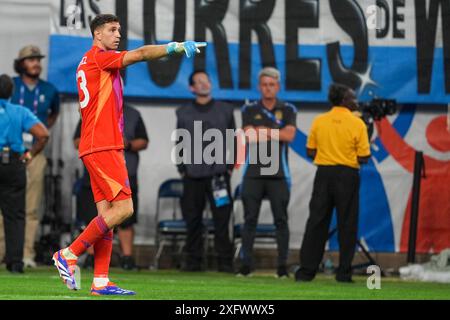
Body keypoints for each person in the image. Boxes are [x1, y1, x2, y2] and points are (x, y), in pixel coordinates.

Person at [52, 13, 205, 295]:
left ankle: (100, 281)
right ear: (97, 34)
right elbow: (142, 54)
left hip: (95, 144)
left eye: (119, 30)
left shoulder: (87, 62)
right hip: (103, 146)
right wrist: (175, 46)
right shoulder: (100, 56)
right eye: (112, 30)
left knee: (107, 215)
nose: (117, 35)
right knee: (124, 209)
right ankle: (69, 253)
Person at [295, 83, 371, 283]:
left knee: (317, 222)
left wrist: (328, 152)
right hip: (347, 175)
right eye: (353, 97)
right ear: (345, 101)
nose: (356, 101)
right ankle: (344, 272)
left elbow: (310, 151)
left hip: (324, 174)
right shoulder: (358, 124)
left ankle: (306, 272)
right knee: (347, 223)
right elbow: (364, 156)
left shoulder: (319, 121)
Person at [1, 45, 59, 268]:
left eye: (38, 59)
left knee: (30, 206)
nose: (36, 63)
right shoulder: (10, 85)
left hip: (33, 153)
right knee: (6, 208)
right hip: (14, 153)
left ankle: (25, 253)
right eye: (30, 59)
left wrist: (35, 141)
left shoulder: (49, 89)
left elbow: (52, 117)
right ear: (21, 63)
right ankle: (4, 252)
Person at [73, 103, 149, 270]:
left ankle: (102, 276)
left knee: (118, 218)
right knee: (108, 214)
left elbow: (144, 141)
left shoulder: (132, 113)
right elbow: (77, 139)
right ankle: (71, 254)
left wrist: (126, 144)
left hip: (120, 169)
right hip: (100, 167)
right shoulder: (95, 109)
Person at [238, 67, 297, 278]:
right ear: (259, 87)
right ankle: (245, 267)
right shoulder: (249, 109)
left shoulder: (288, 109)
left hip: (279, 174)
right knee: (249, 220)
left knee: (281, 220)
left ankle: (282, 268)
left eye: (272, 84)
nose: (268, 88)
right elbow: (249, 136)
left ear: (278, 86)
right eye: (264, 84)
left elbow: (289, 136)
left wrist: (262, 131)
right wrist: (275, 132)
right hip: (252, 173)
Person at [175, 70, 235, 273]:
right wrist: (183, 170)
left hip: (219, 176)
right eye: (198, 82)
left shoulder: (225, 110)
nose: (203, 84)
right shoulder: (183, 112)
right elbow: (179, 142)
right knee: (193, 220)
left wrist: (229, 168)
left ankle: (225, 262)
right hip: (192, 177)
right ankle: (193, 262)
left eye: (206, 80)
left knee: (222, 220)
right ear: (192, 88)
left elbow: (232, 140)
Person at [0, 74, 49, 273]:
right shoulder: (19, 111)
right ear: (12, 92)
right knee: (15, 215)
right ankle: (15, 262)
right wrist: (28, 156)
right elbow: (43, 134)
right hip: (12, 163)